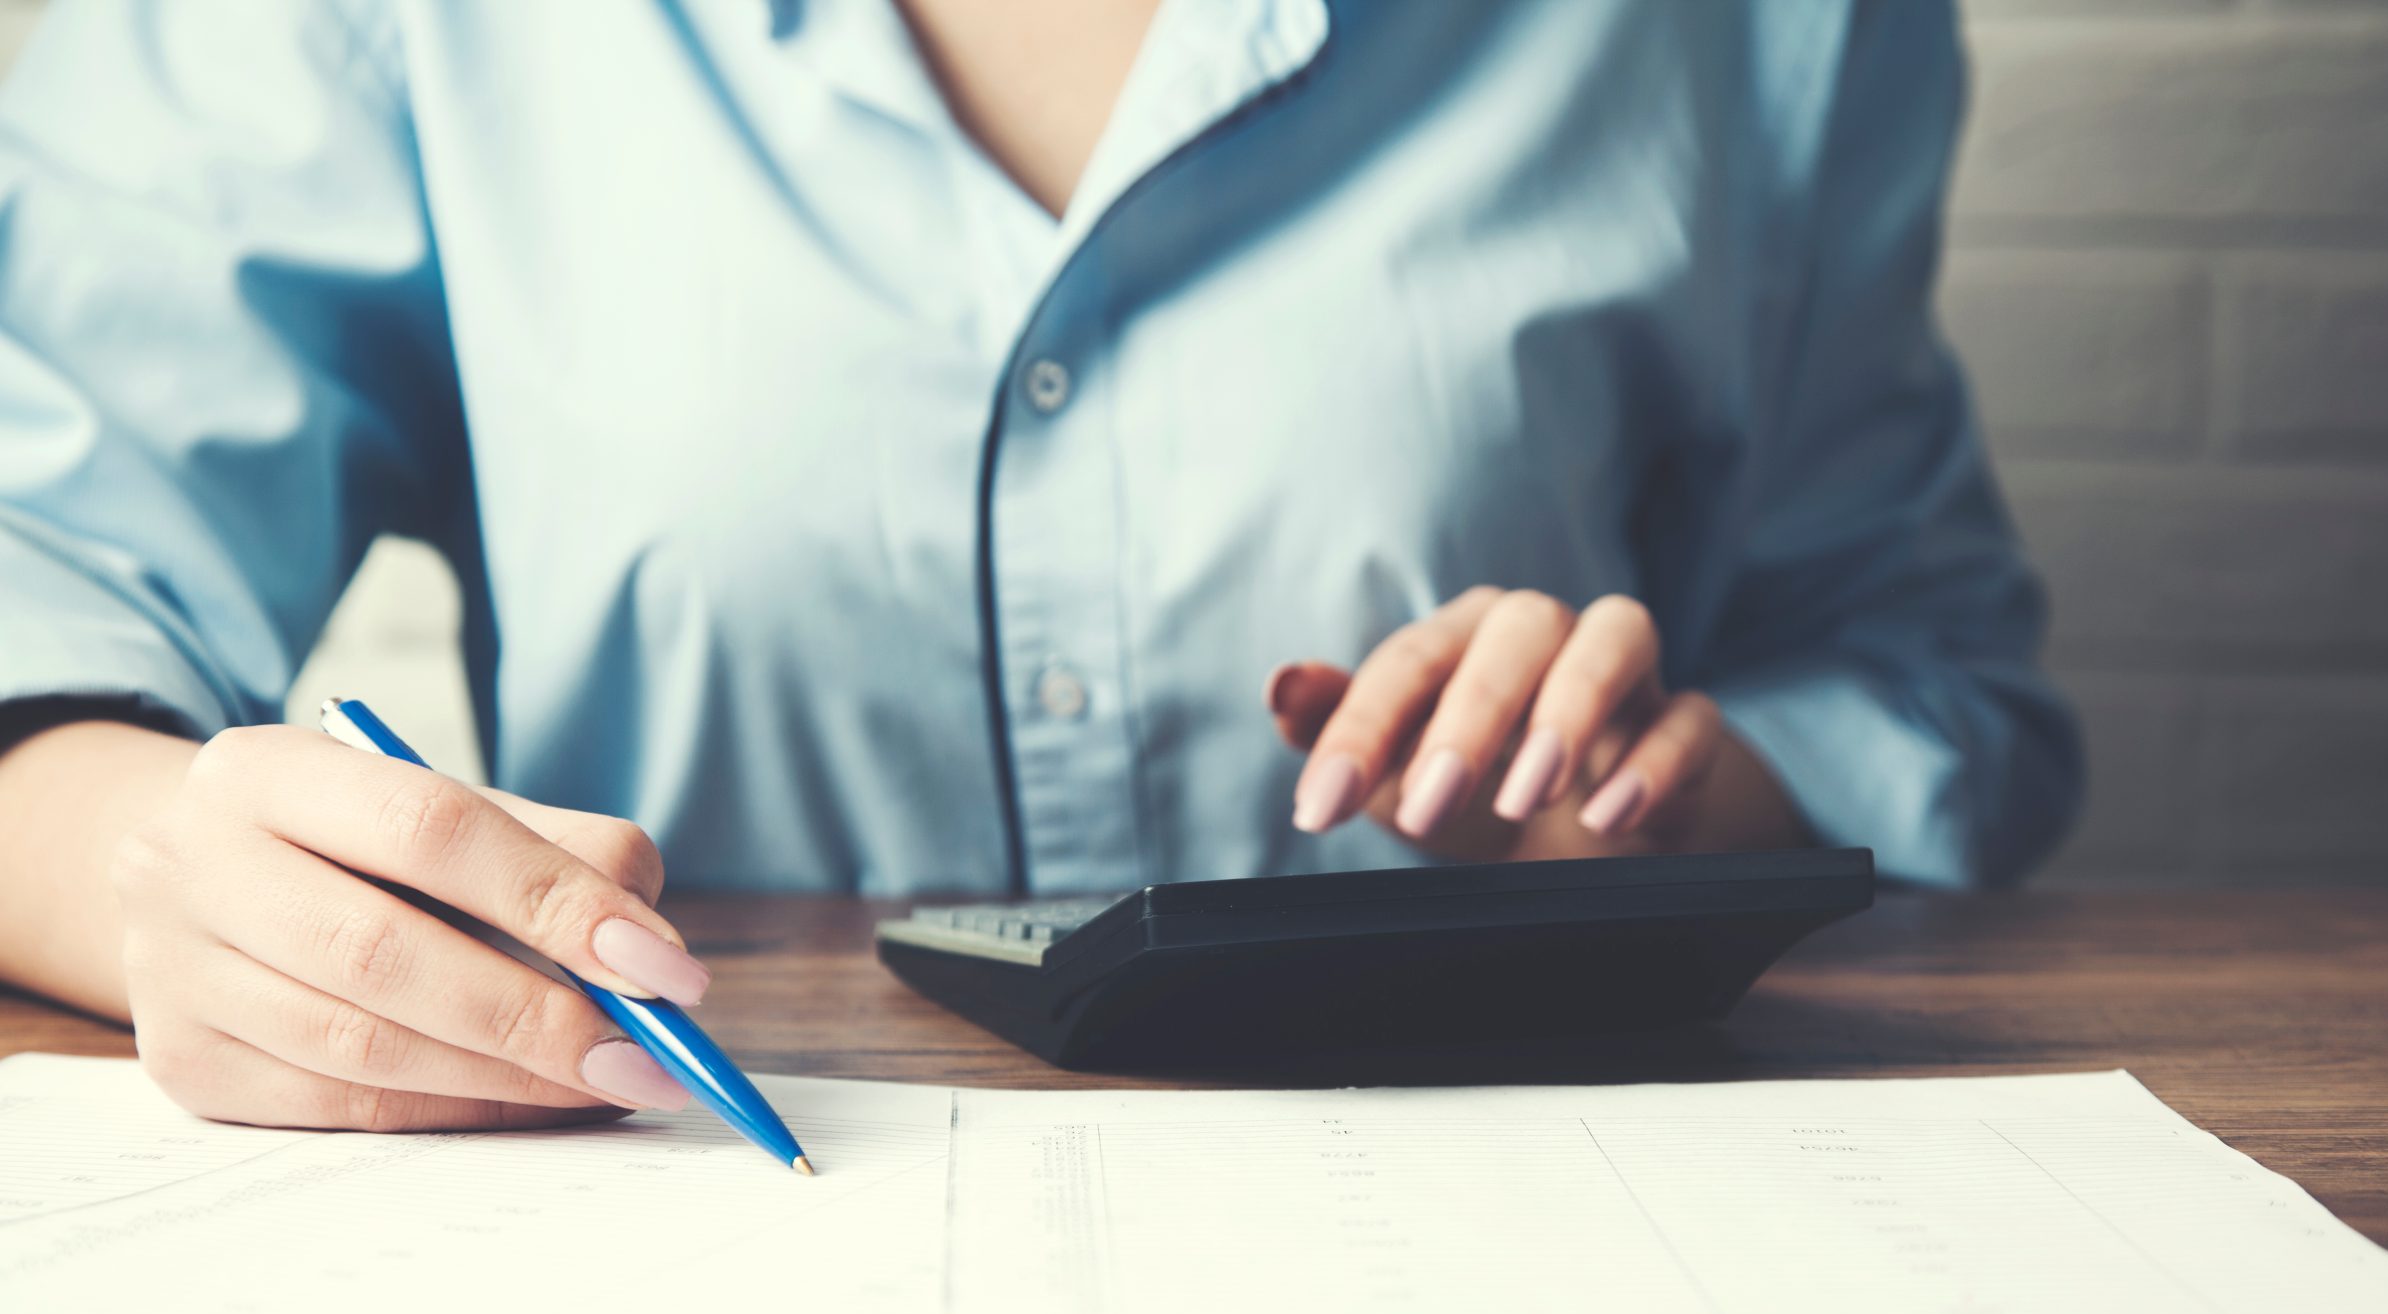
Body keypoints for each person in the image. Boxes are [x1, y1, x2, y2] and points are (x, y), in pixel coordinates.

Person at [0, 0, 2080, 1130]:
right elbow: (46, 564)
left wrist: (1678, 818)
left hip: (1546, 1236)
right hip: (681, 1242)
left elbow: (1924, 688)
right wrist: (158, 874)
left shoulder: (1766, 32)